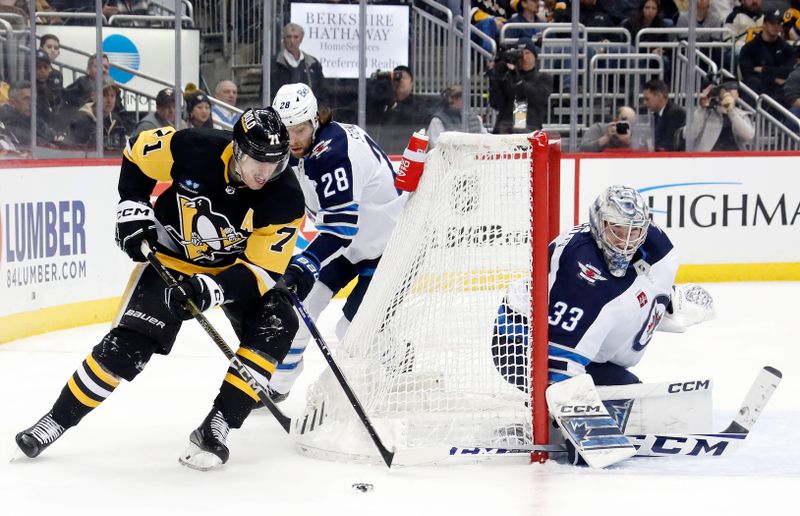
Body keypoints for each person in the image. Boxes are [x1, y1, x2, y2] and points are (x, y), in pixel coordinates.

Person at [15, 108, 307, 471]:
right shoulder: (193, 147)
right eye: (258, 163)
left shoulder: (286, 197)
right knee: (129, 345)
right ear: (237, 150)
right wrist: (132, 204)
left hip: (232, 270)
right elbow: (136, 151)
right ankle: (55, 420)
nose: (266, 174)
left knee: (278, 322)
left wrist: (211, 289)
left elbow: (261, 270)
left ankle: (219, 424)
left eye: (275, 165)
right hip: (171, 257)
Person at [268, 83, 407, 402]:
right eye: (286, 130)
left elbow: (342, 227)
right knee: (301, 304)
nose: (293, 139)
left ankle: (392, 363)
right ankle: (280, 380)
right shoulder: (299, 147)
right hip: (352, 245)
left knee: (352, 331)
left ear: (315, 120)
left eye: (300, 129)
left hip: (390, 247)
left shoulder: (332, 153)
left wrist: (307, 260)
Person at [492, 185, 687, 391]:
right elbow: (560, 358)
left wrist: (662, 300)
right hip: (518, 340)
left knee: (625, 391)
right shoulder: (582, 268)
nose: (626, 242)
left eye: (633, 231)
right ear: (599, 224)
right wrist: (572, 401)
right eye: (616, 230)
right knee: (613, 395)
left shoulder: (655, 243)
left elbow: (637, 285)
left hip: (565, 330)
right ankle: (543, 419)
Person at [489, 37, 553, 133]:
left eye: (527, 53)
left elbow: (537, 97)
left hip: (529, 129)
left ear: (535, 56)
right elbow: (496, 103)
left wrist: (518, 80)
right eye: (520, 53)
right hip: (504, 128)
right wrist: (495, 77)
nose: (524, 57)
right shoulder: (507, 77)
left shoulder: (543, 78)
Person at [739, 9, 795, 101]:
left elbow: (789, 71)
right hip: (758, 90)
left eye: (778, 24)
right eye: (772, 23)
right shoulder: (750, 48)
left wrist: (764, 70)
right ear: (764, 24)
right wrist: (774, 79)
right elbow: (748, 74)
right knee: (754, 82)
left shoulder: (787, 49)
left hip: (779, 92)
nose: (776, 26)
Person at [685, 77, 755, 150]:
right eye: (725, 91)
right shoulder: (705, 113)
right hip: (707, 159)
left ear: (737, 95)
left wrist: (731, 111)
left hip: (734, 158)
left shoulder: (741, 115)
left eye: (731, 90)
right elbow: (688, 135)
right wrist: (702, 108)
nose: (727, 94)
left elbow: (748, 136)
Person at [67, 78, 128, 149]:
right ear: (93, 96)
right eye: (104, 95)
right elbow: (74, 153)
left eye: (112, 95)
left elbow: (124, 150)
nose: (109, 100)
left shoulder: (116, 121)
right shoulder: (80, 121)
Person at [270, 22, 325, 100]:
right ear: (284, 39)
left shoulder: (312, 63)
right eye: (288, 37)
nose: (292, 41)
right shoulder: (273, 64)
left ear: (301, 39)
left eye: (296, 37)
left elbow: (321, 91)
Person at [426, 84, 488, 149]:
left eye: (460, 97)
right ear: (448, 99)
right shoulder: (438, 120)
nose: (458, 100)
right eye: (455, 97)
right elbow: (436, 147)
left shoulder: (476, 119)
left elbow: (486, 142)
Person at [642, 79, 686, 151]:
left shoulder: (676, 113)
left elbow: (669, 145)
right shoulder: (656, 115)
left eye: (647, 99)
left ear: (659, 96)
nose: (644, 102)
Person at [579, 105, 644, 152]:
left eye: (631, 124)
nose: (627, 128)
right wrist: (606, 137)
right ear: (615, 120)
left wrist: (627, 143)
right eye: (624, 123)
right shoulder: (599, 128)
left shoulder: (636, 134)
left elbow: (644, 156)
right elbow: (583, 149)